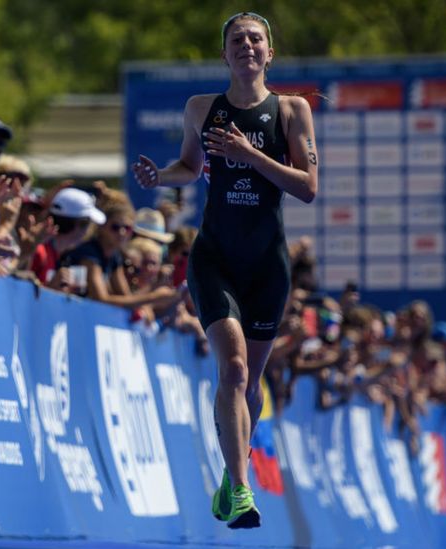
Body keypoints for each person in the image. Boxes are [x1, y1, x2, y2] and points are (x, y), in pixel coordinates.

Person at [132, 12, 318, 529]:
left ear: (269, 53)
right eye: (237, 40)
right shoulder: (201, 108)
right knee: (232, 370)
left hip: (266, 265)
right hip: (215, 257)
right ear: (225, 55)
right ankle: (240, 487)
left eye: (256, 39)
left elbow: (307, 186)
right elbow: (190, 168)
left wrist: (247, 154)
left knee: (251, 384)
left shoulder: (291, 110)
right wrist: (159, 177)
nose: (247, 46)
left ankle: (231, 468)